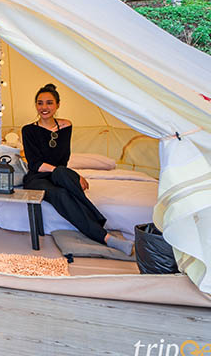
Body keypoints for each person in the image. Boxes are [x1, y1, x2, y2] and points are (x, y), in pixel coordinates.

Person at [21, 83, 133, 255]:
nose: (44, 107)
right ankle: (105, 236)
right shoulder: (28, 130)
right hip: (37, 178)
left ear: (57, 105)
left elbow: (63, 158)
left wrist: (69, 174)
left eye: (49, 103)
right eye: (40, 103)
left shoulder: (66, 126)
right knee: (61, 193)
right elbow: (35, 164)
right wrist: (72, 176)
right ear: (36, 105)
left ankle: (93, 223)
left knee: (61, 172)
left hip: (59, 173)